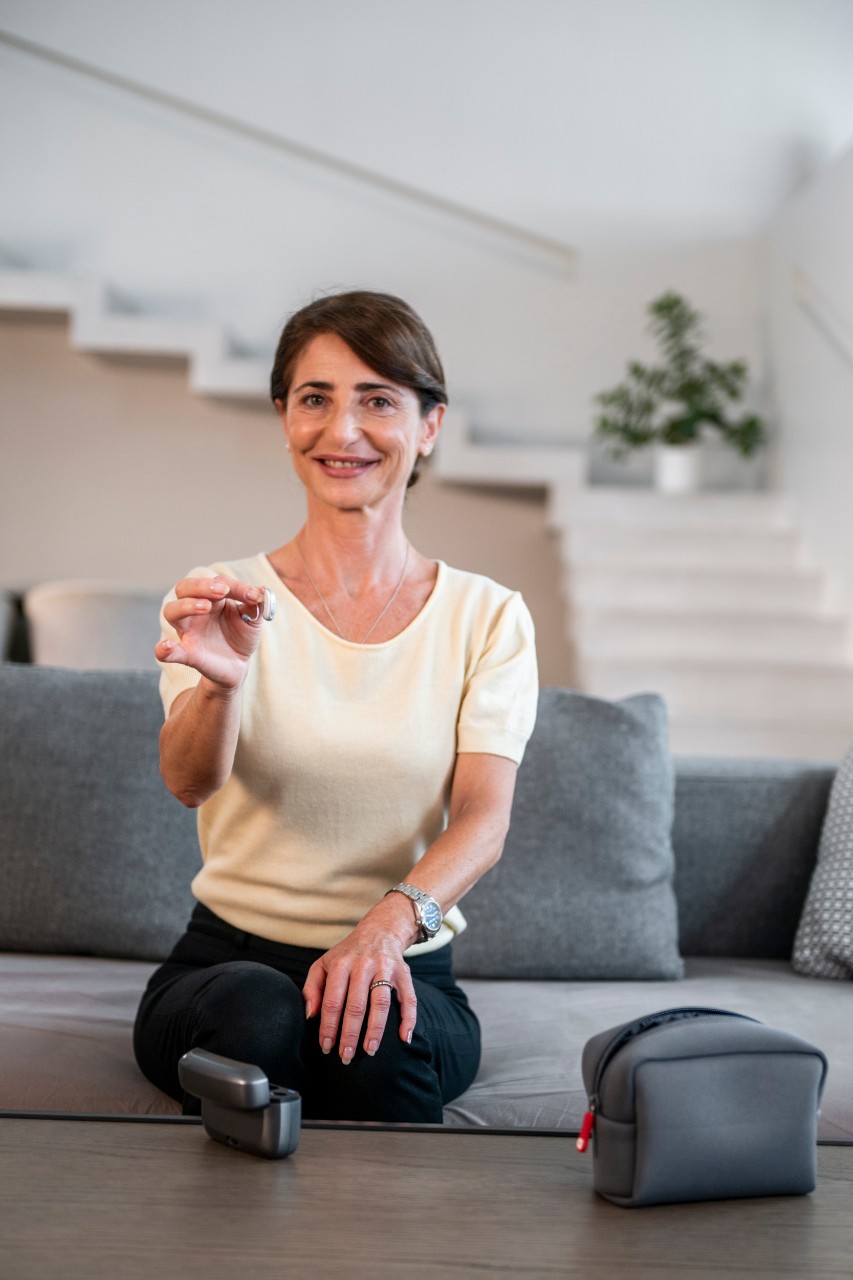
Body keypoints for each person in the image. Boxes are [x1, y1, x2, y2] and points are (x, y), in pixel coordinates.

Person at [133, 290, 538, 1123]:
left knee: (372, 1025)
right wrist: (222, 683)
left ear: (429, 425)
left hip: (405, 960)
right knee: (261, 1014)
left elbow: (483, 819)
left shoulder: (488, 616)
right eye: (315, 398)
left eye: (378, 401)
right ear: (286, 418)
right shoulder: (222, 598)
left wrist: (385, 929)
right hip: (226, 964)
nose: (342, 430)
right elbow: (187, 783)